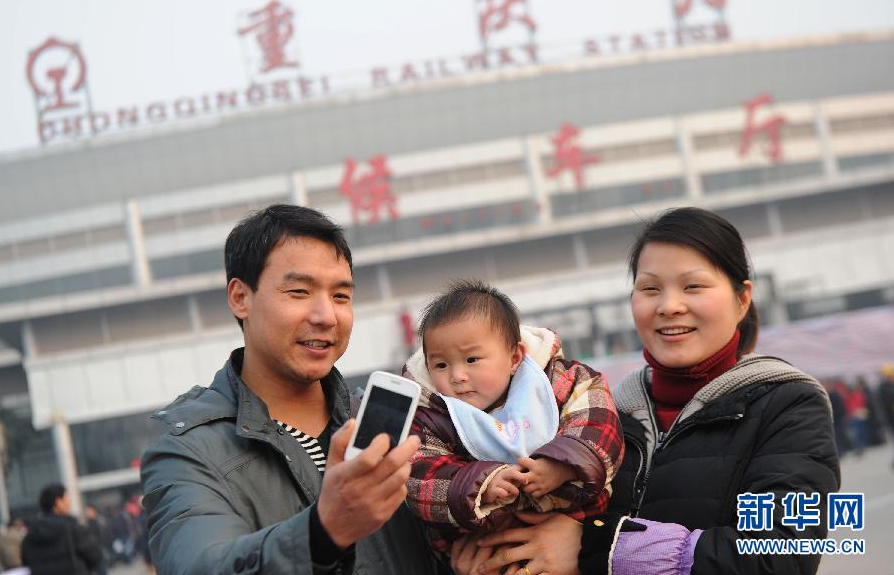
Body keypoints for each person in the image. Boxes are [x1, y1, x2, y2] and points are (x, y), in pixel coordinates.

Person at [451, 207, 840, 575]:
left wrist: (596, 546)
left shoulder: (787, 403)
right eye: (650, 289)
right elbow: (548, 533)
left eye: (693, 286)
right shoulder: (597, 416)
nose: (669, 306)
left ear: (742, 299)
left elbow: (782, 556)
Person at [140, 205, 442, 575]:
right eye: (299, 291)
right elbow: (200, 565)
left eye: (341, 296)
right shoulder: (188, 453)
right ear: (240, 297)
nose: (326, 315)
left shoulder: (393, 425)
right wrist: (323, 533)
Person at [403, 280, 623, 555]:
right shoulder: (430, 417)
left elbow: (599, 423)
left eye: (471, 360)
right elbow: (418, 478)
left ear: (514, 357)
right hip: (486, 549)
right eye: (441, 365)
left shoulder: (560, 381)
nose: (457, 376)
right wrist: (482, 485)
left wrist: (562, 466)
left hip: (578, 533)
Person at [20, 484, 102, 575]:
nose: (69, 502)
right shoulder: (71, 527)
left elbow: (26, 564)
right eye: (67, 498)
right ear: (58, 503)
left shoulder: (30, 535)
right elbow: (94, 555)